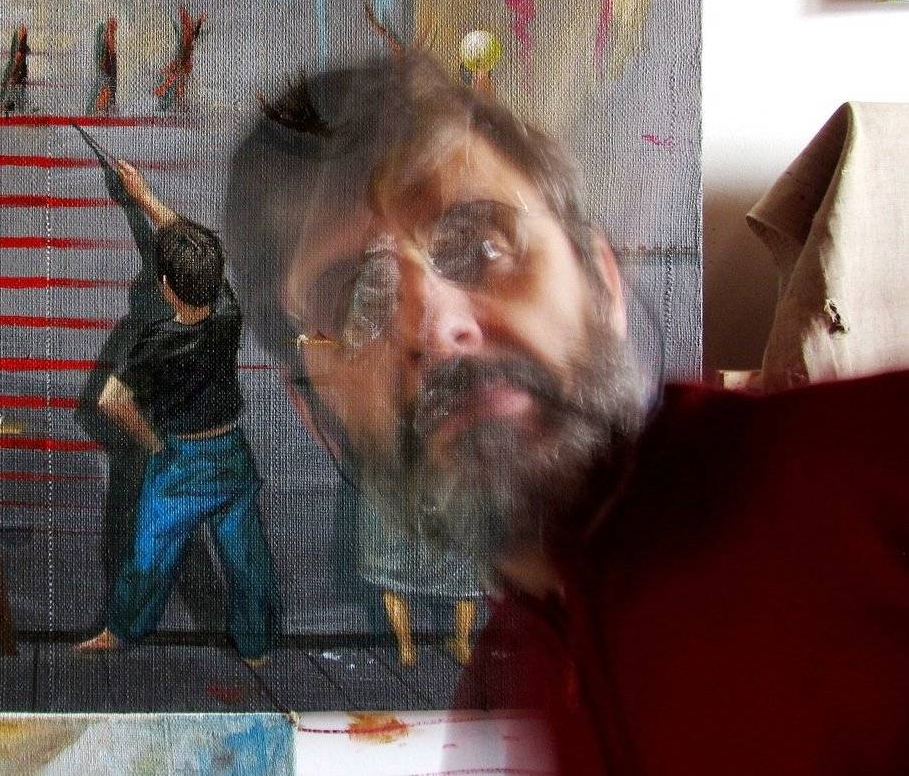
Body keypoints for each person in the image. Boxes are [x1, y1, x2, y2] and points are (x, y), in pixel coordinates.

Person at [226, 54, 909, 773]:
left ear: (601, 283)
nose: (437, 326)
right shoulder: (503, 695)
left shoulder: (869, 479)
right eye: (352, 300)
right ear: (315, 414)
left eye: (480, 244)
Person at [76, 160, 279, 664]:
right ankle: (256, 646)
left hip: (180, 462)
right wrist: (145, 198)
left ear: (165, 287)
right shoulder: (227, 311)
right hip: (229, 453)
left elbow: (110, 401)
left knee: (149, 557)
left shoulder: (158, 340)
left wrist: (152, 444)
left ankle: (121, 631)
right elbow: (192, 247)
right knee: (248, 560)